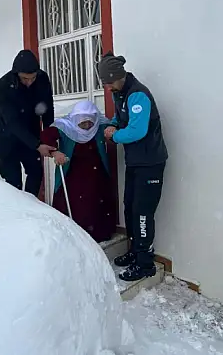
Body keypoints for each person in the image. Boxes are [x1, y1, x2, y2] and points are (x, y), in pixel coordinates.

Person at [97, 53, 168, 282]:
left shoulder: (138, 95)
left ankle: (145, 263)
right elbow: (122, 119)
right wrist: (114, 125)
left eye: (107, 83)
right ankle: (135, 251)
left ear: (116, 77)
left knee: (143, 213)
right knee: (130, 207)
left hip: (150, 163)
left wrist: (115, 135)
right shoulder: (121, 93)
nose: (106, 88)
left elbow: (138, 131)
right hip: (136, 162)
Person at [40, 100, 116, 243]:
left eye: (90, 122)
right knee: (75, 205)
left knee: (97, 202)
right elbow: (46, 137)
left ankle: (99, 235)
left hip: (96, 173)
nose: (87, 126)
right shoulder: (65, 126)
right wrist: (55, 152)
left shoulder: (99, 124)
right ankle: (73, 239)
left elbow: (113, 126)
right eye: (82, 123)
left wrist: (113, 128)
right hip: (72, 172)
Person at [0, 50, 56, 197]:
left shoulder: (42, 79)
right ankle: (16, 214)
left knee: (36, 171)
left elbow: (47, 108)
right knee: (13, 179)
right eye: (24, 78)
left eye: (32, 78)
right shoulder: (4, 86)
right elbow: (12, 122)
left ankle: (31, 209)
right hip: (2, 133)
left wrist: (49, 136)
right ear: (16, 73)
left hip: (28, 129)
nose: (29, 82)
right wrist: (37, 145)